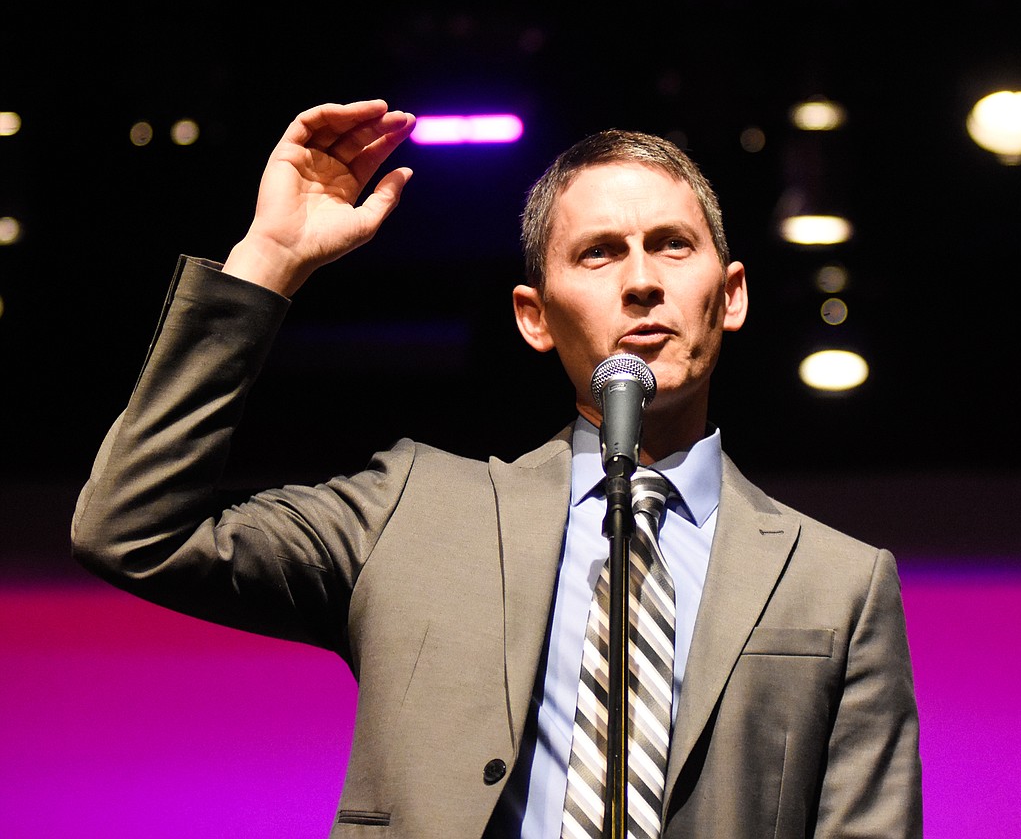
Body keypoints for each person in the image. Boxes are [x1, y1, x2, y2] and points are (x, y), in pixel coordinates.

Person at [72, 99, 922, 838]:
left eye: (670, 246)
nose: (640, 283)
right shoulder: (409, 513)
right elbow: (134, 528)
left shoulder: (835, 585)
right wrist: (268, 262)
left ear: (729, 294)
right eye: (598, 253)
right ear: (534, 317)